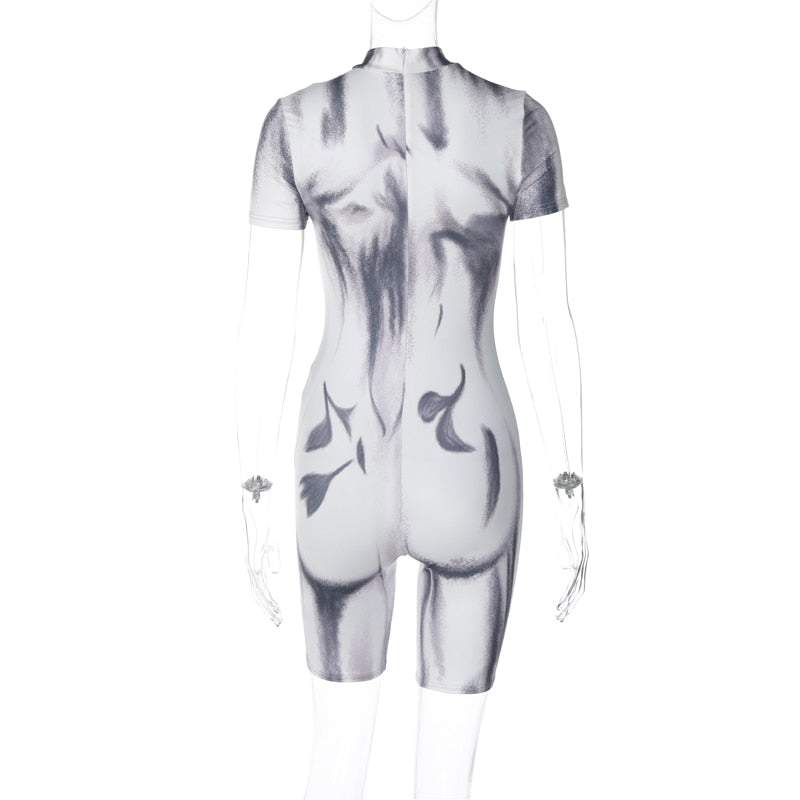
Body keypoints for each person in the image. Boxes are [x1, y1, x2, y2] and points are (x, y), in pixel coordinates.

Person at [234, 1, 588, 796]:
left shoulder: (295, 126)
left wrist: (253, 486)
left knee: (334, 766)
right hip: (472, 470)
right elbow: (547, 319)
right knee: (446, 784)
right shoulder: (517, 122)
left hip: (336, 467)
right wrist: (571, 483)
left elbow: (263, 325)